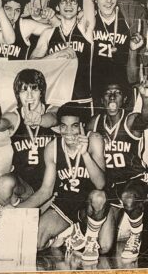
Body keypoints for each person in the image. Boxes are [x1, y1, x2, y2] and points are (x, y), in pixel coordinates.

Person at [14, 102, 109, 262]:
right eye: (64, 126)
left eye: (74, 126)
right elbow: (45, 191)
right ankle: (68, 230)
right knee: (35, 243)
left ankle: (90, 239)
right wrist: (14, 210)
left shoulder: (95, 140)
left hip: (91, 203)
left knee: (105, 246)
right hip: (67, 201)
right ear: (58, 127)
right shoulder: (52, 148)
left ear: (83, 126)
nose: (69, 132)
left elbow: (100, 185)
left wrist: (85, 154)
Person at [0, 69, 58, 238]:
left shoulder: (53, 109)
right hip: (25, 187)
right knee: (3, 183)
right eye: (23, 90)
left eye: (33, 89)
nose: (29, 95)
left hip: (51, 187)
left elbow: (54, 119)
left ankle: (11, 218)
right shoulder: (16, 117)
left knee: (40, 237)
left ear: (41, 91)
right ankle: (12, 214)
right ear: (17, 94)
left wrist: (39, 120)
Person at [87, 79, 148, 259]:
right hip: (110, 185)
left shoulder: (129, 120)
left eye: (118, 92)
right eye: (108, 93)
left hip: (134, 181)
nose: (112, 96)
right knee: (104, 247)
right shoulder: (94, 123)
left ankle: (136, 235)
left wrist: (145, 98)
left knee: (129, 198)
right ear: (101, 100)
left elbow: (145, 120)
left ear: (125, 99)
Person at [31, 0, 96, 116]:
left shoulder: (85, 29)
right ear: (58, 7)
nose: (68, 4)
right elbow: (32, 65)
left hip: (82, 101)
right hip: (55, 102)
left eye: (73, 1)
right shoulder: (48, 33)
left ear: (78, 7)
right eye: (64, 1)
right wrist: (56, 55)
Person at [92, 0, 144, 105]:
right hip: (95, 92)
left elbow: (132, 79)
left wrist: (133, 51)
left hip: (124, 94)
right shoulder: (88, 21)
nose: (109, 0)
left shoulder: (127, 21)